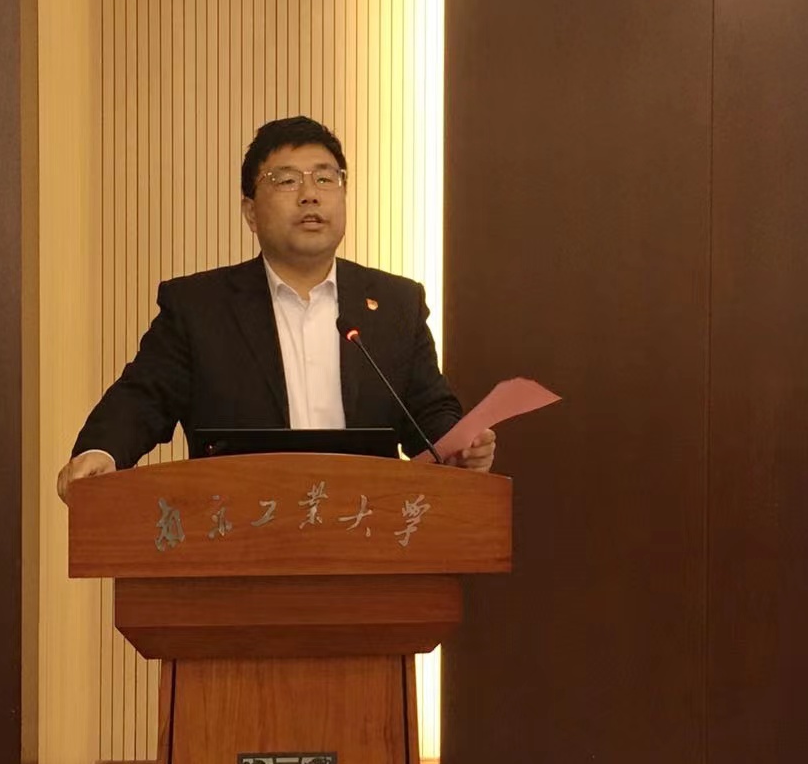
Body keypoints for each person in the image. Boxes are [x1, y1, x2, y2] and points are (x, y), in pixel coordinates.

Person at [57, 116, 494, 503]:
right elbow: (143, 397)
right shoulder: (199, 307)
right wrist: (102, 452)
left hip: (366, 532)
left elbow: (428, 410)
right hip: (239, 536)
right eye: (286, 181)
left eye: (325, 179)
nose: (310, 195)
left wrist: (458, 447)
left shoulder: (396, 303)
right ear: (250, 212)